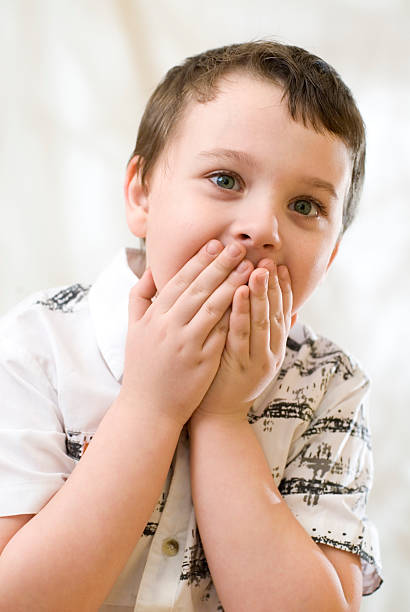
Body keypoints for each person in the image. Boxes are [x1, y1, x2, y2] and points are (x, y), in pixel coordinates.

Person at [0, 40, 382, 611]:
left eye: (305, 206)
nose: (261, 227)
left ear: (328, 260)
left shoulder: (331, 386)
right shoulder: (37, 347)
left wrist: (224, 418)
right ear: (141, 193)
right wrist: (150, 406)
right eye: (226, 179)